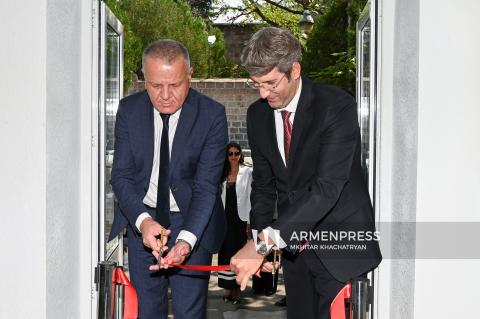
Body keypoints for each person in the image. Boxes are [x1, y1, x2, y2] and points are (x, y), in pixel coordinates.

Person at [230, 27, 382, 319]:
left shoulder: (336, 106)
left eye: (271, 83)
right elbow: (264, 185)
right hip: (295, 251)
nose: (263, 93)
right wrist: (265, 243)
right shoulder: (257, 115)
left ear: (294, 70)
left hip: (342, 249)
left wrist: (262, 245)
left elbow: (327, 188)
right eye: (256, 84)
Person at [109, 39, 228, 319]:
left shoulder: (212, 115)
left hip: (191, 222)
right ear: (143, 79)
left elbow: (206, 187)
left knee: (189, 312)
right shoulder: (128, 110)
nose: (164, 95)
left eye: (174, 85)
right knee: (147, 311)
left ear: (190, 75)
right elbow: (121, 176)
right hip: (143, 222)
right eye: (154, 85)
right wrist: (142, 221)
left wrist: (186, 241)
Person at [217, 142, 252, 304]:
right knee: (225, 253)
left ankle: (237, 290)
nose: (233, 157)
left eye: (236, 153)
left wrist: (250, 221)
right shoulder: (221, 173)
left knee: (238, 253)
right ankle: (227, 289)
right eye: (230, 154)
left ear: (240, 154)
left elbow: (252, 197)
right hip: (224, 218)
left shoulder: (247, 172)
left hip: (240, 219)